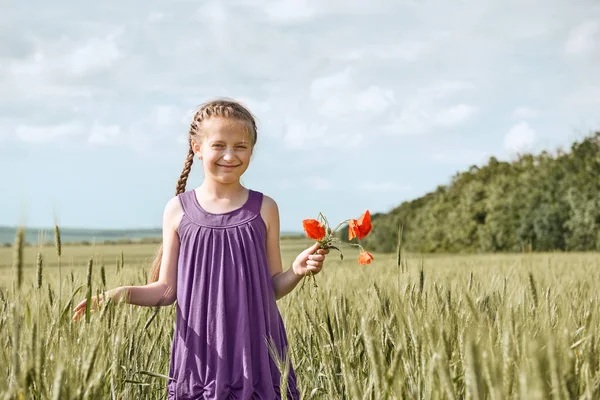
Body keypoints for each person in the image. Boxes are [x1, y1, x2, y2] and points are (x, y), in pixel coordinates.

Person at [72, 99, 329, 399]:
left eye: (241, 146)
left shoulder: (265, 208)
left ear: (252, 150)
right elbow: (167, 291)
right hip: (201, 360)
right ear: (197, 148)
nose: (230, 155)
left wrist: (296, 272)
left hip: (256, 352)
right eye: (218, 145)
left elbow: (270, 288)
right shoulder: (177, 210)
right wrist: (117, 295)